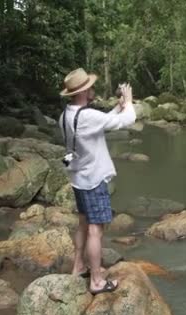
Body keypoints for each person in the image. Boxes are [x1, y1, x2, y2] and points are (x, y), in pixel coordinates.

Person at [58, 68, 135, 294]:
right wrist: (129, 102)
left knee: (83, 223)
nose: (92, 90)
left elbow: (102, 122)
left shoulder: (67, 115)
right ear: (83, 92)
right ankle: (96, 281)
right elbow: (127, 120)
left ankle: (78, 266)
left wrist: (117, 107)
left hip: (78, 179)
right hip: (93, 180)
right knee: (95, 230)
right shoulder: (88, 116)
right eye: (90, 87)